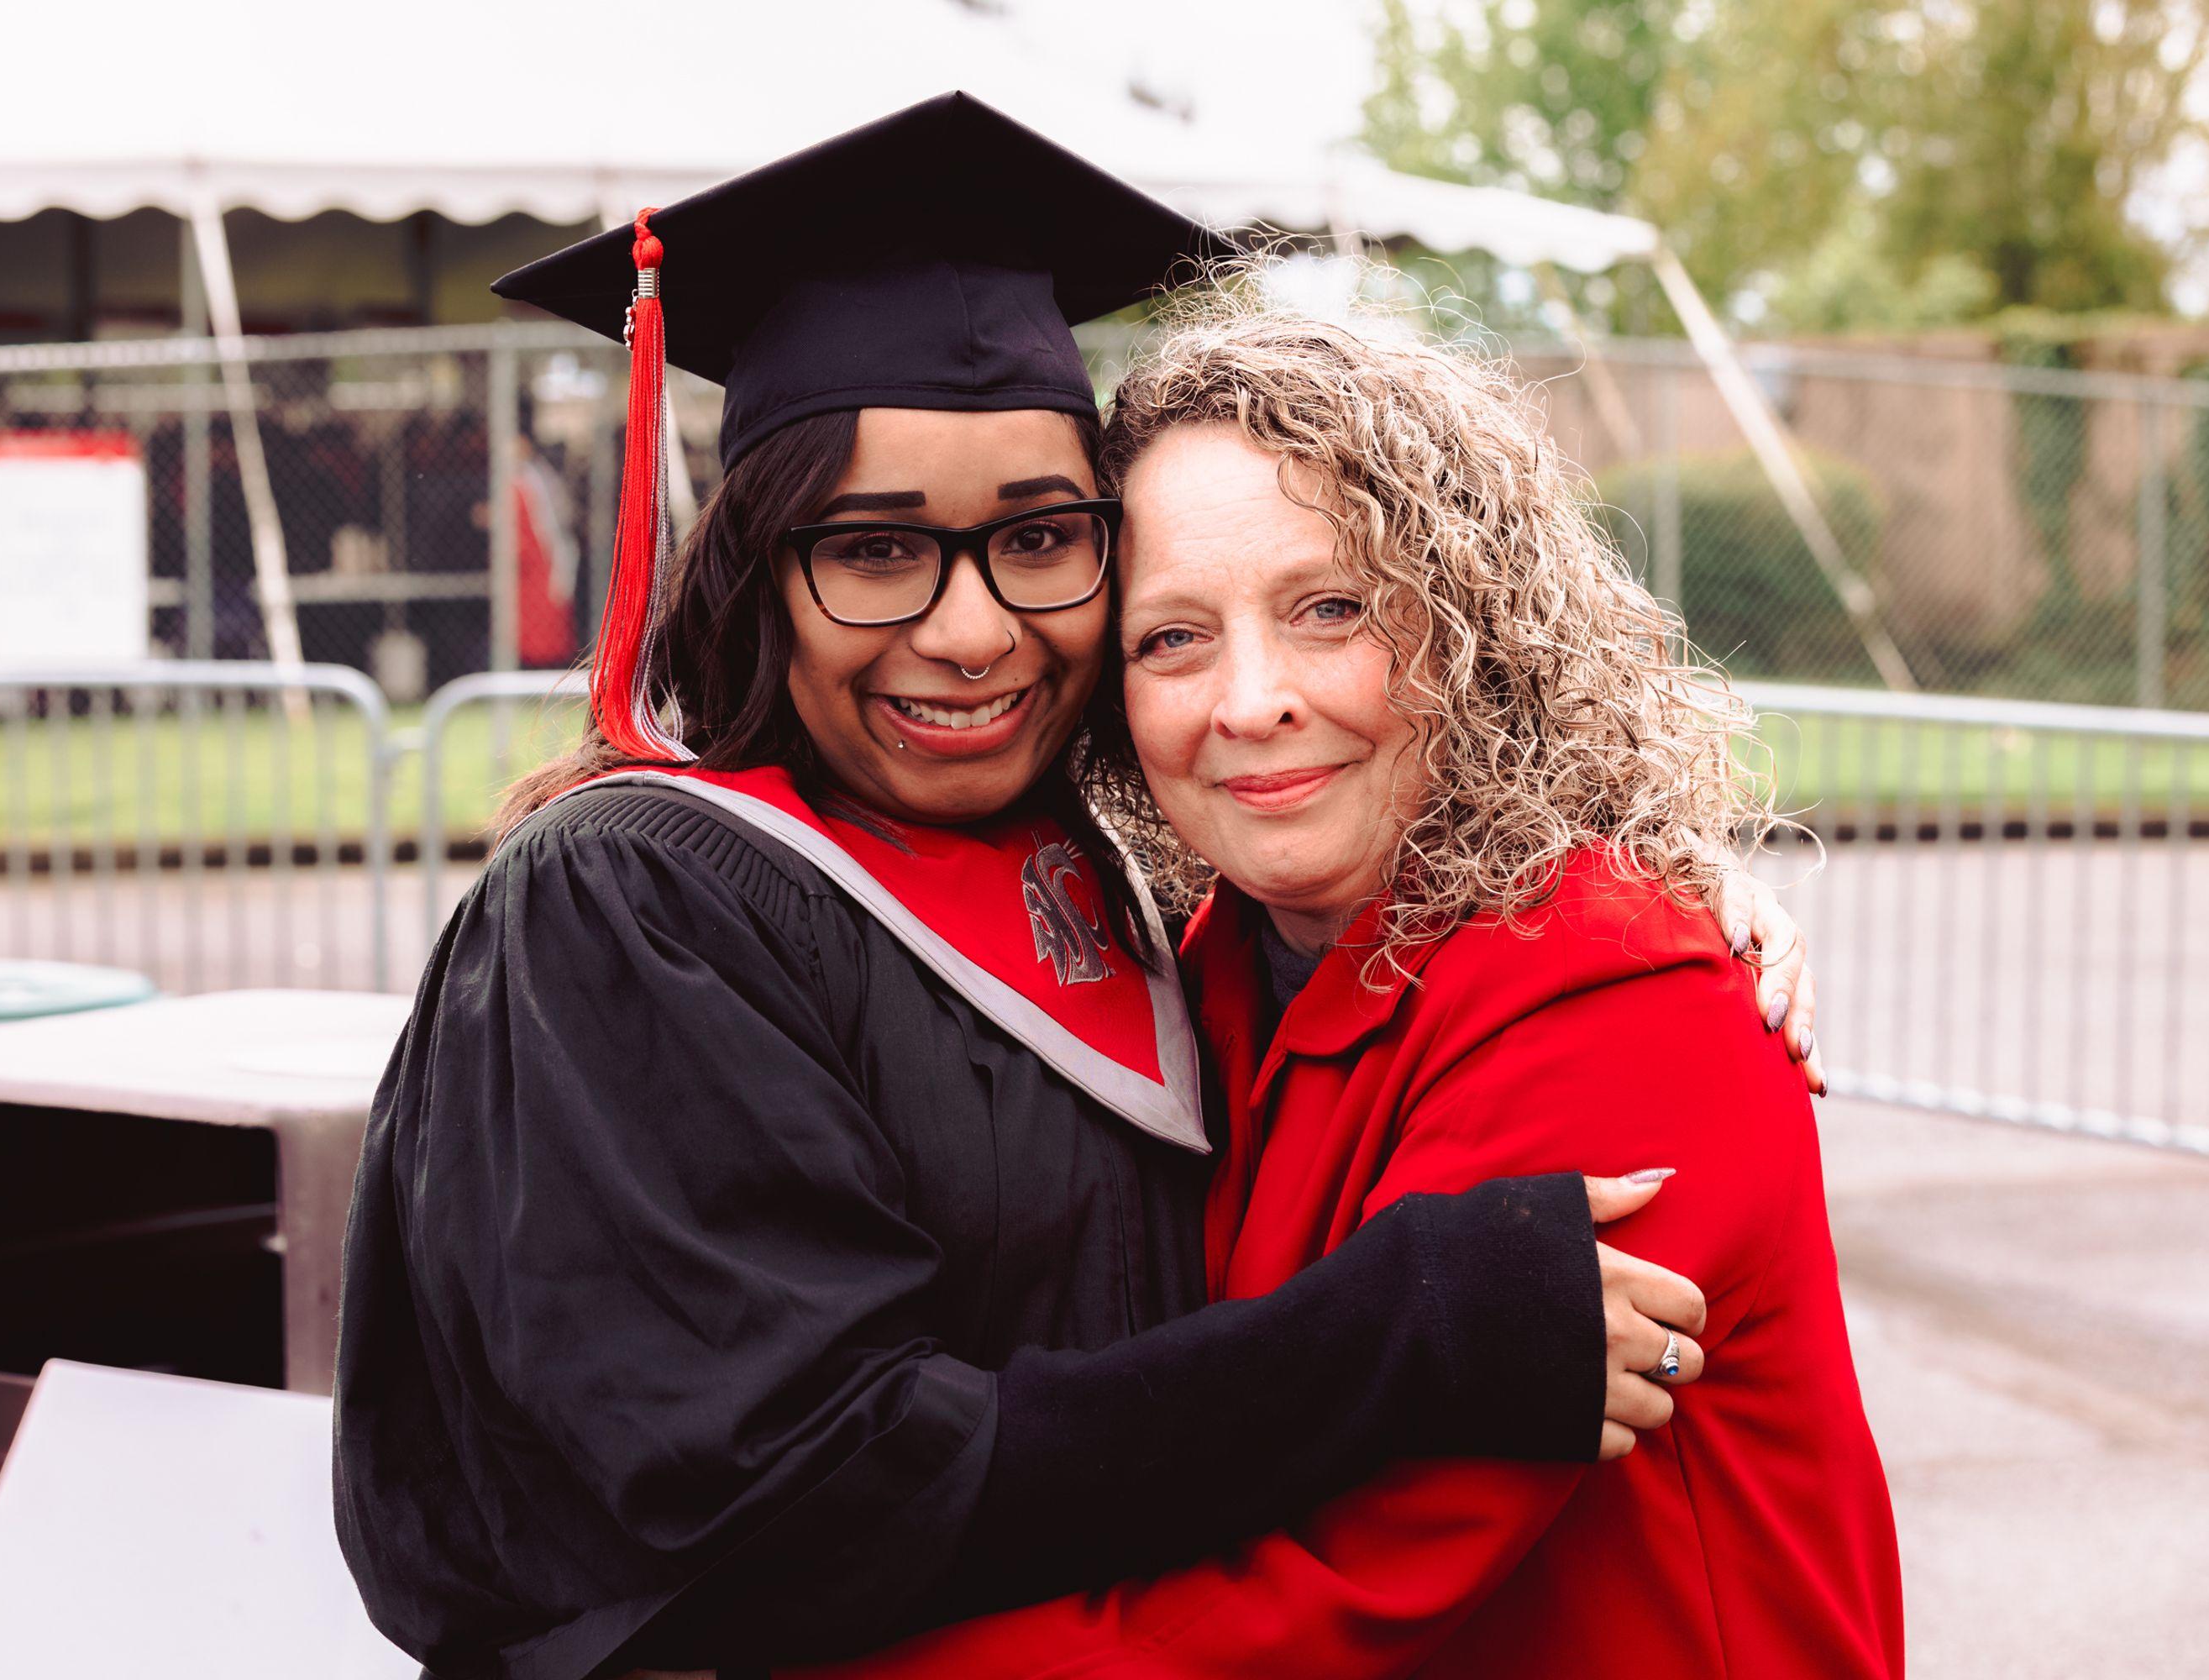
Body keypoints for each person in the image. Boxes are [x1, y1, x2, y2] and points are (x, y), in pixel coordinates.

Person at [333, 96, 1819, 1680]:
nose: (974, 633)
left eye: (1042, 539)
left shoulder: (1133, 907)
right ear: (754, 571)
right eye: (876, 550)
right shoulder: (637, 905)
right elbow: (789, 1501)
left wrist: (1648, 873)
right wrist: (1404, 1327)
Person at [793, 293, 1900, 1680]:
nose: (1250, 701)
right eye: (1172, 639)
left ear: (1473, 626)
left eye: (1331, 610)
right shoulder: (1207, 977)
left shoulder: (1610, 992)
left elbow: (1328, 1592)